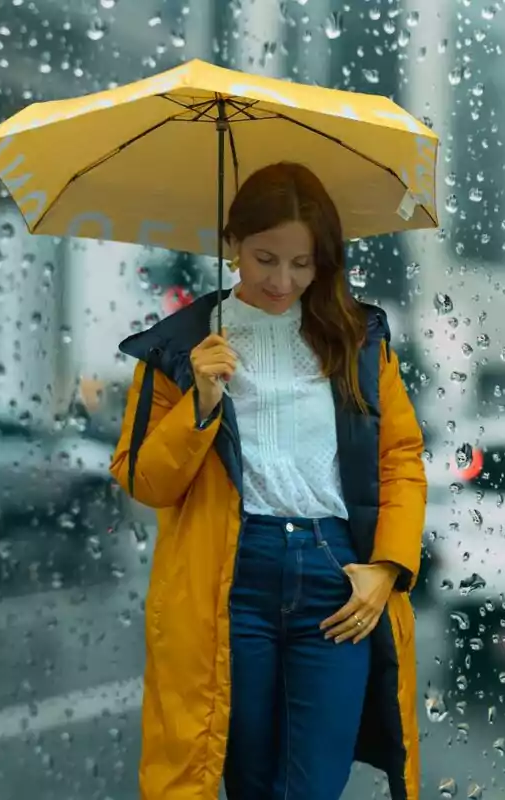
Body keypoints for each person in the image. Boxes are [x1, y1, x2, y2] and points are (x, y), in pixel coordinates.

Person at [109, 162, 427, 800]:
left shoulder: (358, 340)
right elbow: (144, 479)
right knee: (249, 782)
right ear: (231, 245)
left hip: (336, 577)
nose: (283, 281)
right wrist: (200, 399)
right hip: (232, 581)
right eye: (264, 258)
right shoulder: (180, 346)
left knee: (312, 784)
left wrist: (387, 565)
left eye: (303, 263)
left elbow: (401, 457)